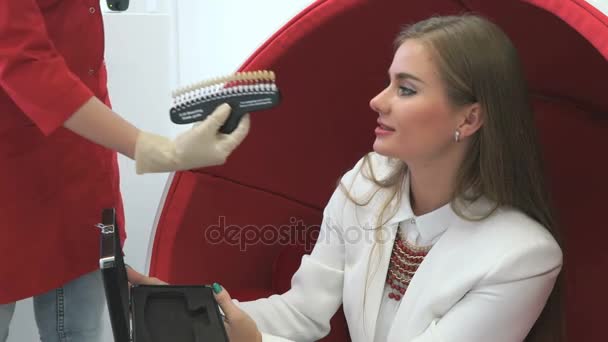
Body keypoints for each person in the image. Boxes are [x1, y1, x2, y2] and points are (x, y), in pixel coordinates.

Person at [212, 14, 563, 342]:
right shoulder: (366, 181)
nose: (377, 101)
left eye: (406, 89)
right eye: (389, 83)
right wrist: (190, 313)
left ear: (469, 120)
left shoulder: (523, 256)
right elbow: (302, 312)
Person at [0, 1, 249, 341]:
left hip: (78, 172)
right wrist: (154, 149)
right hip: (11, 175)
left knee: (79, 331)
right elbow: (24, 63)